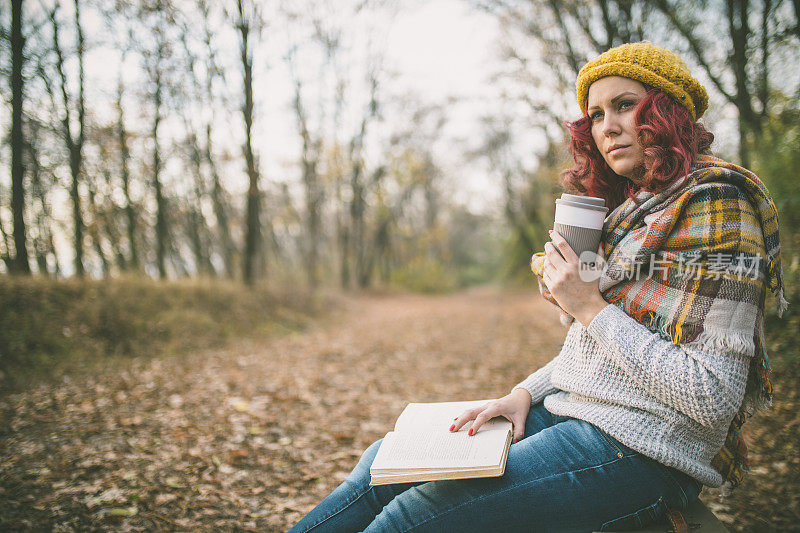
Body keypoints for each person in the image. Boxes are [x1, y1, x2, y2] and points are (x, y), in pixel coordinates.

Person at [288, 42, 788, 533]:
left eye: (625, 105)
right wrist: (526, 393)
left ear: (668, 112)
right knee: (385, 463)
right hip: (578, 415)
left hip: (645, 451)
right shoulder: (635, 211)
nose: (607, 127)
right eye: (594, 114)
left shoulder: (717, 208)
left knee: (416, 513)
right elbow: (599, 356)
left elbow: (712, 396)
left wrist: (589, 307)